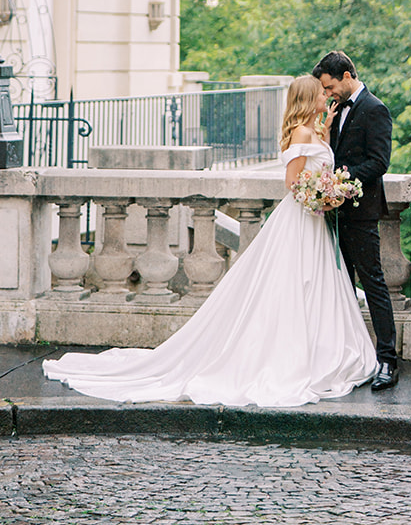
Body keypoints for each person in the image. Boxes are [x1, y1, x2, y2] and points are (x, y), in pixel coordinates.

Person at [41, 75, 377, 408]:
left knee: (313, 286)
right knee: (291, 286)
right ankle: (291, 356)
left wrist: (328, 137)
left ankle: (317, 350)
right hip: (302, 218)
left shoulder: (314, 130)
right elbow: (293, 184)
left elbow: (318, 166)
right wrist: (322, 198)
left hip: (314, 224)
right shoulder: (301, 133)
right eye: (321, 93)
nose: (327, 96)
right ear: (307, 98)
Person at [313, 51, 398, 390]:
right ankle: (348, 356)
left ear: (347, 76)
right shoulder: (335, 110)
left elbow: (379, 162)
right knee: (340, 286)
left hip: (362, 213)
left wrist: (340, 182)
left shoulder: (376, 109)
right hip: (334, 214)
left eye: (331, 86)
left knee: (373, 284)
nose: (329, 93)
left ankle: (388, 361)